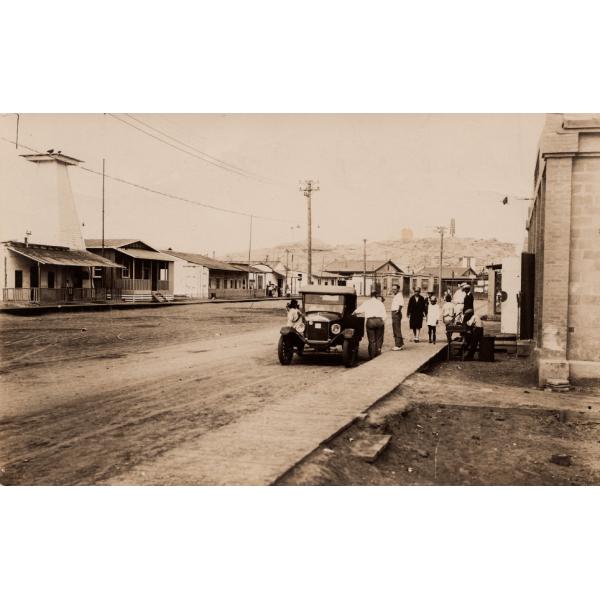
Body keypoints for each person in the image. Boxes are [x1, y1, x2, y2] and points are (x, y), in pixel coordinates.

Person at [353, 289, 386, 359]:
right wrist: (381, 321)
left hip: (370, 321)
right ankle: (378, 351)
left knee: (372, 340)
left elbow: (359, 310)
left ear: (371, 296)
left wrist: (353, 313)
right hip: (379, 320)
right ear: (377, 296)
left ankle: (372, 355)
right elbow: (384, 314)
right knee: (379, 338)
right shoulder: (380, 303)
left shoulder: (367, 302)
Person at [390, 284, 404, 351]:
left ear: (398, 289)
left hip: (396, 313)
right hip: (394, 313)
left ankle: (398, 345)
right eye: (393, 289)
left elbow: (401, 304)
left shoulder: (399, 295)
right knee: (395, 328)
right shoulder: (396, 295)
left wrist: (398, 311)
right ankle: (400, 343)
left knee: (396, 329)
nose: (393, 290)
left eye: (395, 289)